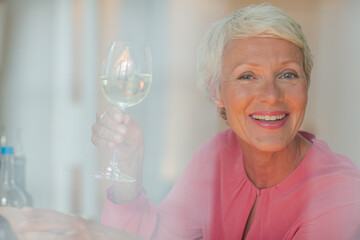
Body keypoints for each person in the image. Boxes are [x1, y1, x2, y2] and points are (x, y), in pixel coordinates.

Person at [0, 3, 359, 240]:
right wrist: (129, 169)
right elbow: (158, 235)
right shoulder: (217, 156)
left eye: (288, 75)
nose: (272, 96)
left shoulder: (342, 194)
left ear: (306, 86)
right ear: (215, 92)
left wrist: (91, 230)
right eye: (247, 76)